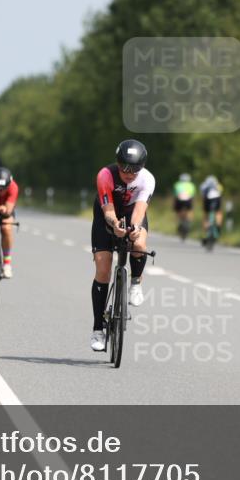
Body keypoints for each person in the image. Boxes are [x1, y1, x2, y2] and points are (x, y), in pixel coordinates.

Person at [89, 139, 155, 352]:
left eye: (134, 170)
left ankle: (135, 282)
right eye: (124, 168)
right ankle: (98, 329)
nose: (128, 173)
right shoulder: (105, 175)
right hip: (106, 213)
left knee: (140, 243)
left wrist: (134, 226)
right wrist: (114, 224)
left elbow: (140, 209)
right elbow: (107, 209)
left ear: (142, 168)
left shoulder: (147, 179)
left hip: (131, 210)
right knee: (103, 267)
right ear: (117, 163)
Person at [172, 173, 196, 237]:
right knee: (189, 211)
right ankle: (189, 222)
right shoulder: (191, 185)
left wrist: (174, 205)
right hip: (188, 200)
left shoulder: (177, 184)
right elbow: (192, 195)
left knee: (178, 212)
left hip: (179, 200)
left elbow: (175, 195)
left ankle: (179, 223)